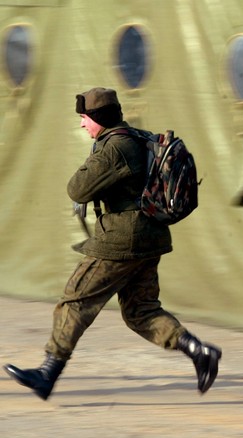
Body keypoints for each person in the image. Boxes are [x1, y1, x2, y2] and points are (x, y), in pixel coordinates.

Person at [3, 87, 221, 401]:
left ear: (99, 118)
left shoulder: (114, 147)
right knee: (141, 311)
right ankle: (198, 351)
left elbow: (77, 189)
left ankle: (47, 374)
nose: (82, 125)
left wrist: (93, 161)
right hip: (150, 236)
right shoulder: (137, 137)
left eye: (85, 118)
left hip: (122, 239)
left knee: (75, 301)